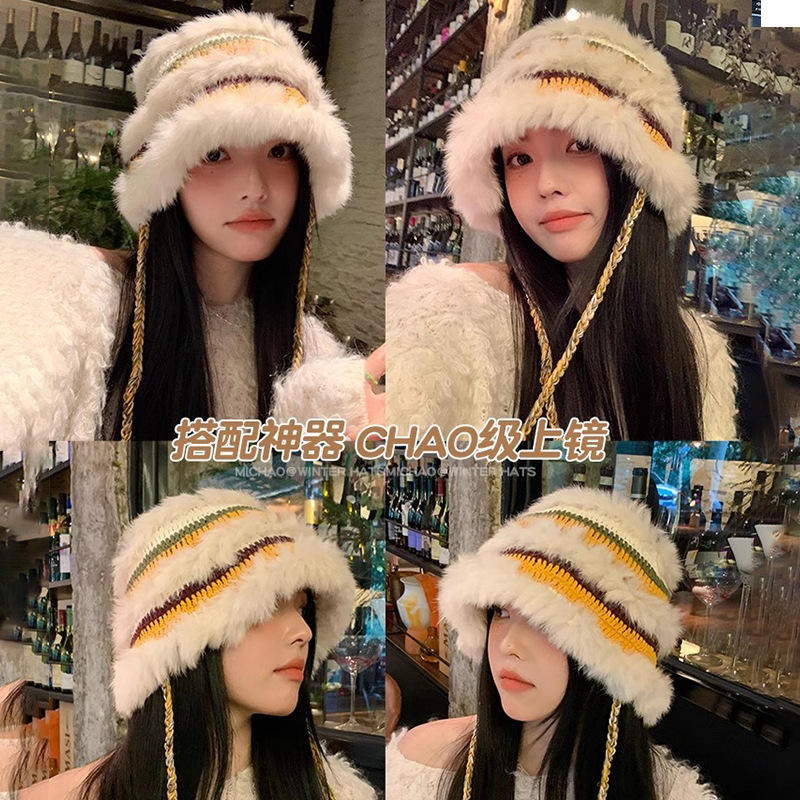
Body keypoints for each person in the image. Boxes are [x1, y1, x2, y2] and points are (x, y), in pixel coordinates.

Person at [0, 10, 381, 443]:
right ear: (166, 177)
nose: (255, 189)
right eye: (215, 154)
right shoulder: (83, 297)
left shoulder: (308, 346)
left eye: (278, 151)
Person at [386, 13, 737, 441]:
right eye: (519, 159)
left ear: (639, 172)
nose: (546, 184)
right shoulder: (449, 314)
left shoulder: (699, 353)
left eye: (581, 145)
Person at [3, 488, 377, 800]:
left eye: (301, 607)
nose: (304, 632)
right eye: (270, 604)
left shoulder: (340, 792)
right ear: (182, 641)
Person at [386, 486, 721, 800]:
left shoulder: (672, 792)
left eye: (544, 623)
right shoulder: (423, 765)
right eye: (501, 611)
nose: (507, 645)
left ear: (610, 658)